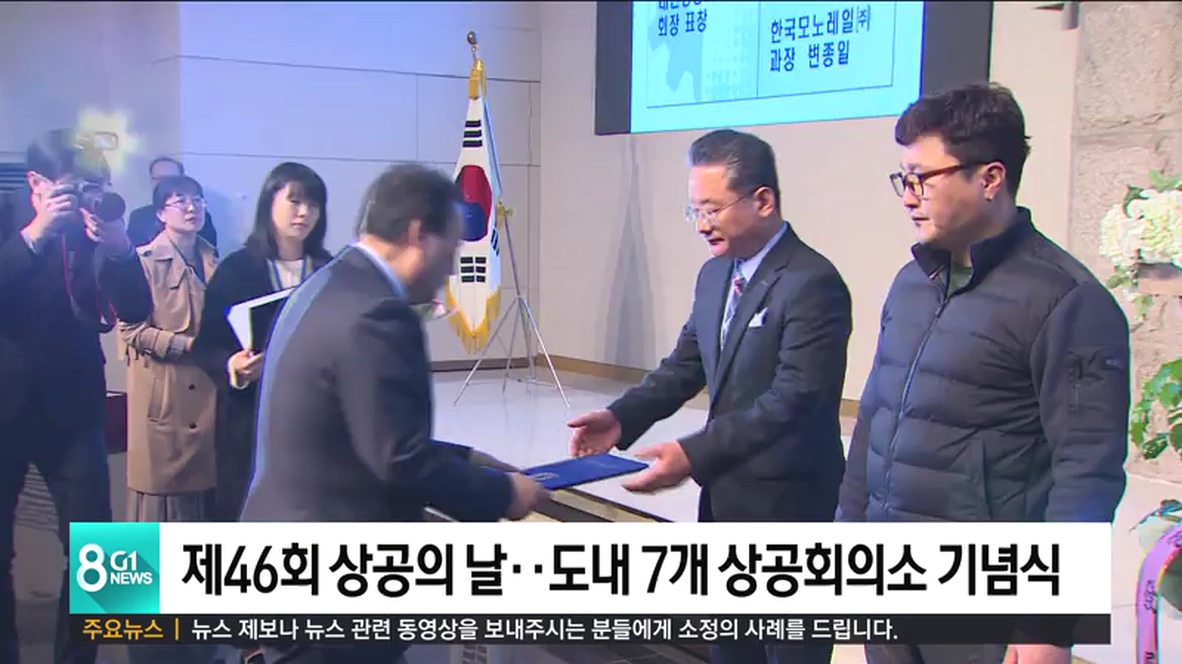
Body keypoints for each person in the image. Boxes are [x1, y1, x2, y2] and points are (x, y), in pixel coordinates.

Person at [835, 83, 1130, 664]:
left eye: (923, 178)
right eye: (903, 179)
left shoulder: (1068, 301)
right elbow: (875, 420)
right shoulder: (911, 283)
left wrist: (1051, 623)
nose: (909, 197)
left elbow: (1087, 473)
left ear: (991, 178)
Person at [239, 162, 548, 664]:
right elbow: (398, 459)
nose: (452, 268)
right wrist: (504, 494)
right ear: (418, 234)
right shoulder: (378, 312)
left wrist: (468, 458)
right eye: (452, 247)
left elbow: (357, 430)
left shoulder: (329, 283)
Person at [567, 129, 852, 664]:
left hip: (792, 508)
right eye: (694, 210)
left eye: (713, 209)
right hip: (724, 504)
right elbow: (685, 365)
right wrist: (621, 418)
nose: (702, 224)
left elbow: (794, 398)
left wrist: (692, 453)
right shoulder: (715, 274)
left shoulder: (812, 282)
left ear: (762, 200)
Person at [0, 128, 152, 664]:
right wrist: (37, 233)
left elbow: (136, 309)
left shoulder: (99, 229)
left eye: (97, 184)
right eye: (76, 185)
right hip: (6, 404)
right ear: (38, 182)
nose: (88, 195)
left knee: (96, 551)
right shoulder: (8, 217)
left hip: (75, 405)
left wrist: (119, 247)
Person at [192, 162, 333, 523]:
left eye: (314, 204)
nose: (304, 212)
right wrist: (232, 365)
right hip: (251, 418)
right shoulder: (237, 269)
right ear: (270, 202)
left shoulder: (330, 270)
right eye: (295, 201)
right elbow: (206, 345)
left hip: (317, 419)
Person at [118, 175, 219, 662]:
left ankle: (199, 633)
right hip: (164, 401)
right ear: (160, 212)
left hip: (211, 402)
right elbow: (130, 330)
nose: (189, 208)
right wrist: (186, 345)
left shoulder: (216, 259)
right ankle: (143, 635)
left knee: (203, 516)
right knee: (156, 516)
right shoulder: (142, 262)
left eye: (196, 200)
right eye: (178, 201)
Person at [126, 156, 218, 249]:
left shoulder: (198, 215)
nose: (164, 184)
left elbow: (209, 249)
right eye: (158, 179)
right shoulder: (138, 217)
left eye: (171, 179)